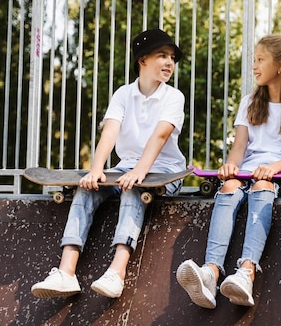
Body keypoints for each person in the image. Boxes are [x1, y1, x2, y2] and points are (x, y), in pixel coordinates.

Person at [31, 28, 186, 299]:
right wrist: (97, 169)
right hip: (126, 167)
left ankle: (117, 272)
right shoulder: (123, 94)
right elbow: (110, 132)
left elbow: (161, 135)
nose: (169, 63)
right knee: (86, 189)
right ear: (142, 60)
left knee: (132, 189)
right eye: (162, 56)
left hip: (165, 171)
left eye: (172, 57)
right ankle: (66, 272)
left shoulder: (174, 97)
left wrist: (140, 172)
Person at [176, 34, 281, 308]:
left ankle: (247, 272)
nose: (254, 66)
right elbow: (239, 147)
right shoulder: (250, 101)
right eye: (255, 60)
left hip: (279, 173)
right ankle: (211, 273)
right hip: (247, 171)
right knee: (228, 187)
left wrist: (271, 169)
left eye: (260, 60)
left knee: (262, 187)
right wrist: (232, 166)